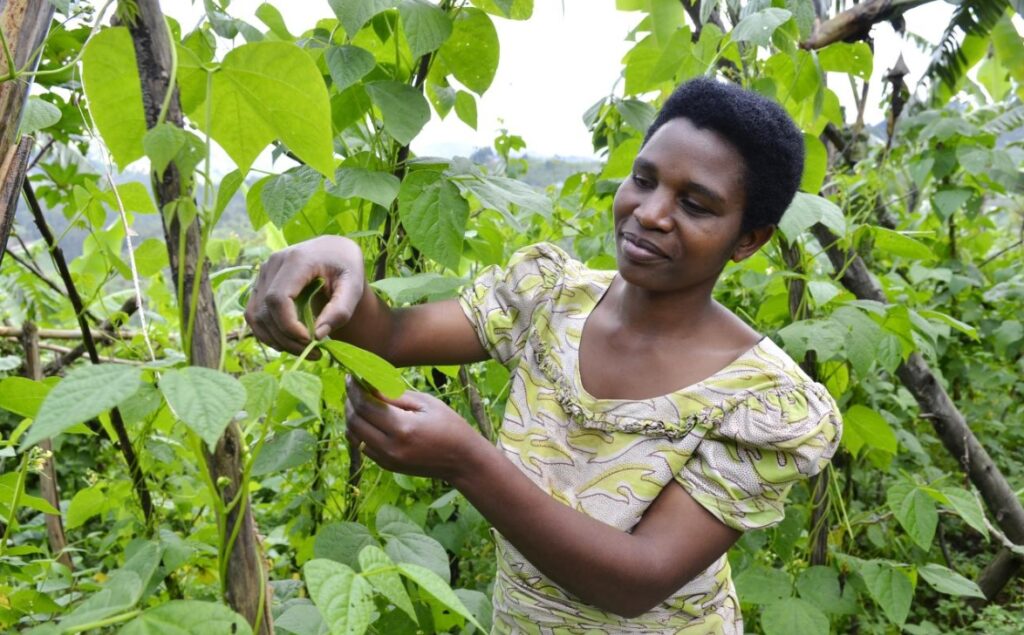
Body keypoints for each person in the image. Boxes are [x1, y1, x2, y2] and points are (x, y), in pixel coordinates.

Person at [245, 77, 842, 634]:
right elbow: (391, 337)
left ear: (748, 239)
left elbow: (637, 580)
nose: (651, 212)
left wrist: (466, 462)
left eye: (696, 205)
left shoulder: (763, 402)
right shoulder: (550, 299)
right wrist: (336, 261)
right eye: (644, 178)